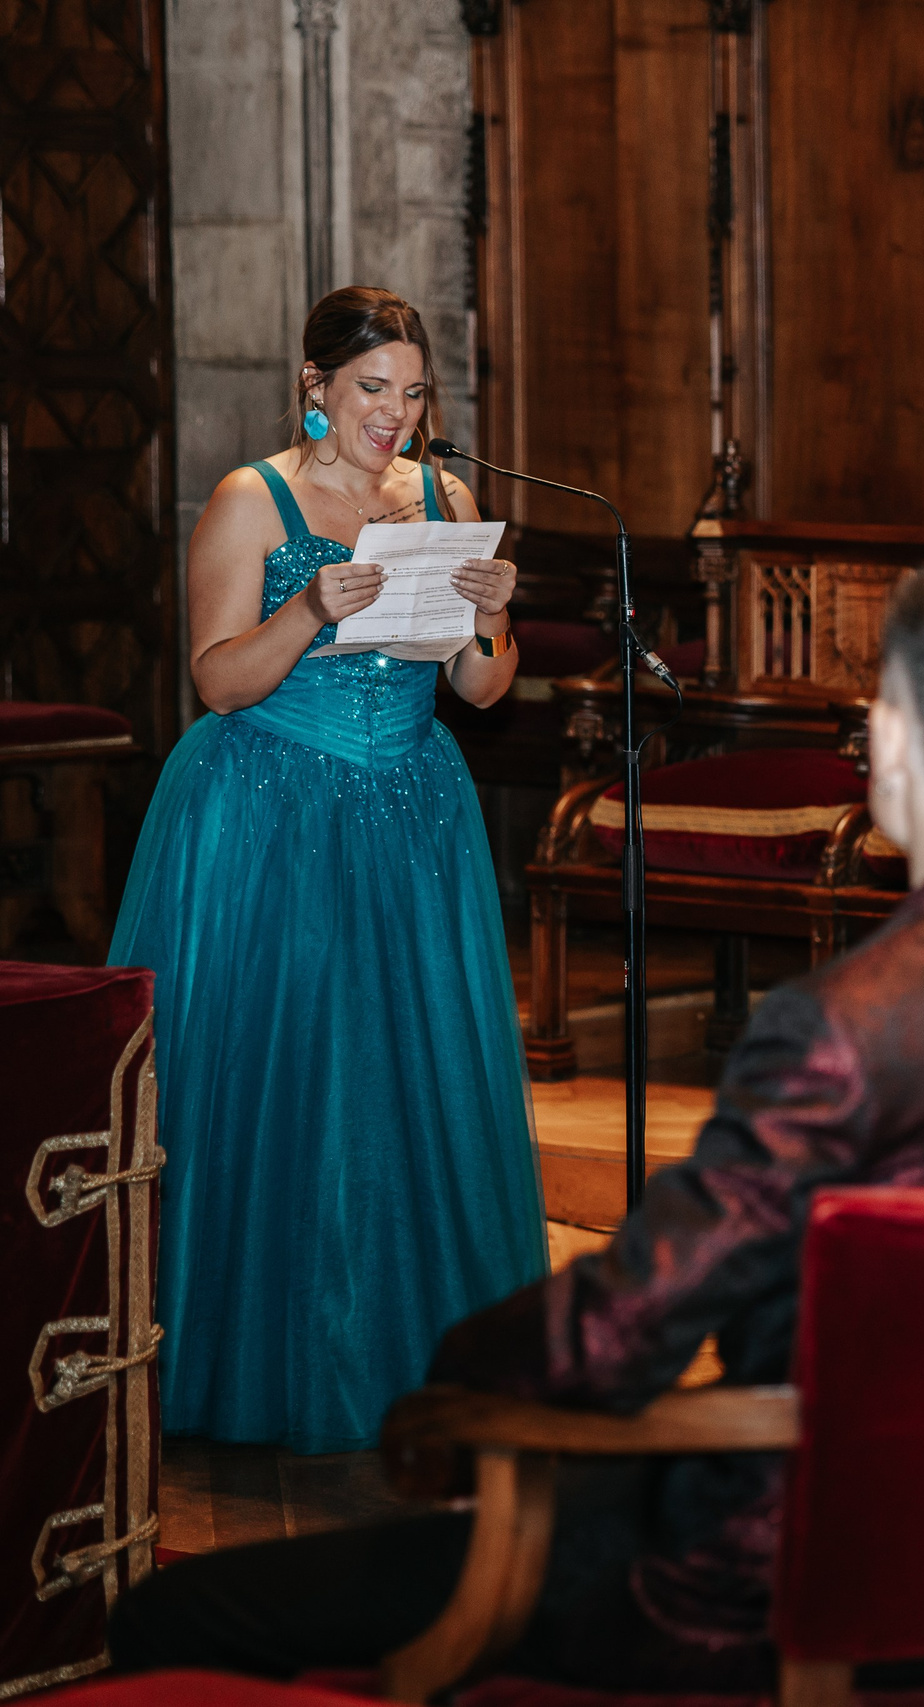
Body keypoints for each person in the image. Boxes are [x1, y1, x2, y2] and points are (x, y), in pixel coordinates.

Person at [110, 558, 924, 1691]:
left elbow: (614, 1336)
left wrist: (450, 1382)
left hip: (765, 1575)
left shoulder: (834, 1031)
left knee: (173, 1615)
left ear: (882, 750)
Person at [108, 286, 545, 1454]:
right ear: (316, 386)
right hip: (270, 813)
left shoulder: (443, 497)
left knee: (407, 1089)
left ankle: (418, 1352)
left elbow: (483, 690)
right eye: (370, 390)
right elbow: (217, 680)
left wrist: (495, 619)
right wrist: (309, 605)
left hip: (409, 814)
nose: (393, 415)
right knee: (287, 1082)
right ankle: (257, 1353)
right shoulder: (255, 497)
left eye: (411, 393)